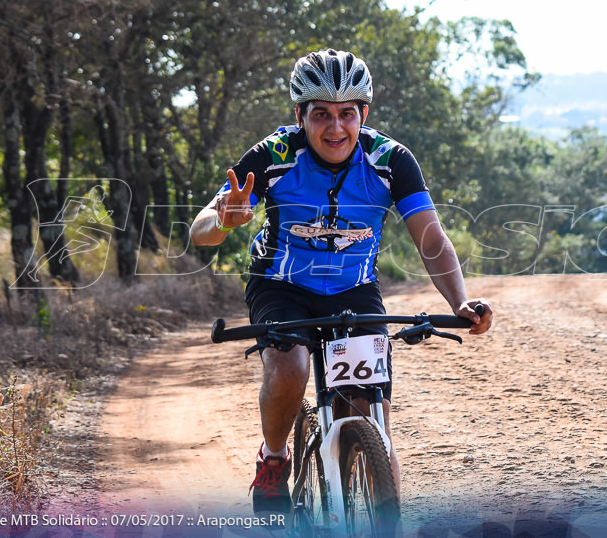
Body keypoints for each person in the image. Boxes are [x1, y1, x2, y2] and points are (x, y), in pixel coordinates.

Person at [190, 48, 493, 513]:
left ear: (363, 114)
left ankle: (381, 505)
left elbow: (431, 239)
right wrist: (226, 220)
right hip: (281, 284)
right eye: (321, 115)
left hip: (354, 290)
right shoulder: (274, 154)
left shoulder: (391, 160)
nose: (335, 128)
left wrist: (460, 302)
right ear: (300, 116)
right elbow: (200, 229)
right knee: (289, 368)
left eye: (347, 114)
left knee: (371, 413)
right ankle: (273, 461)